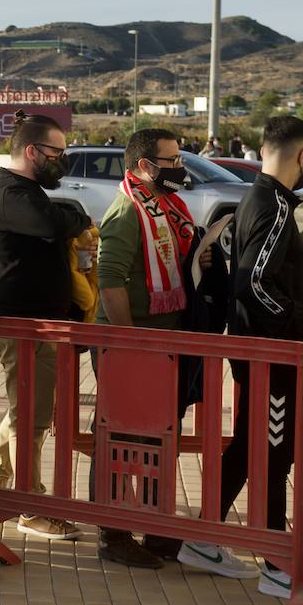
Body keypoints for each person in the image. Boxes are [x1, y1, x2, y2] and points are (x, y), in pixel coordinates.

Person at [181, 117, 303, 604]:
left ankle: (202, 538)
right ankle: (278, 565)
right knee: (274, 454)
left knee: (250, 446)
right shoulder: (276, 208)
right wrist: (301, 323)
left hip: (258, 348)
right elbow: (255, 285)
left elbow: (268, 277)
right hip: (272, 353)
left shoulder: (255, 199)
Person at [94, 128, 222, 569]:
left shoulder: (167, 205)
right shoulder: (128, 212)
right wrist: (130, 345)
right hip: (132, 344)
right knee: (121, 436)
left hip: (162, 343)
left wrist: (200, 256)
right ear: (145, 166)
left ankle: (155, 525)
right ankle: (113, 533)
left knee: (157, 437)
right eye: (171, 161)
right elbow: (109, 280)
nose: (179, 169)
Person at [0, 113, 89, 541]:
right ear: (32, 152)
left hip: (40, 323)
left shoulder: (28, 192)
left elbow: (62, 215)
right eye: (56, 153)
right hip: (22, 324)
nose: (61, 161)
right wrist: (73, 214)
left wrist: (70, 213)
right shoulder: (11, 192)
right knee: (32, 417)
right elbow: (52, 222)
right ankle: (30, 506)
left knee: (27, 413)